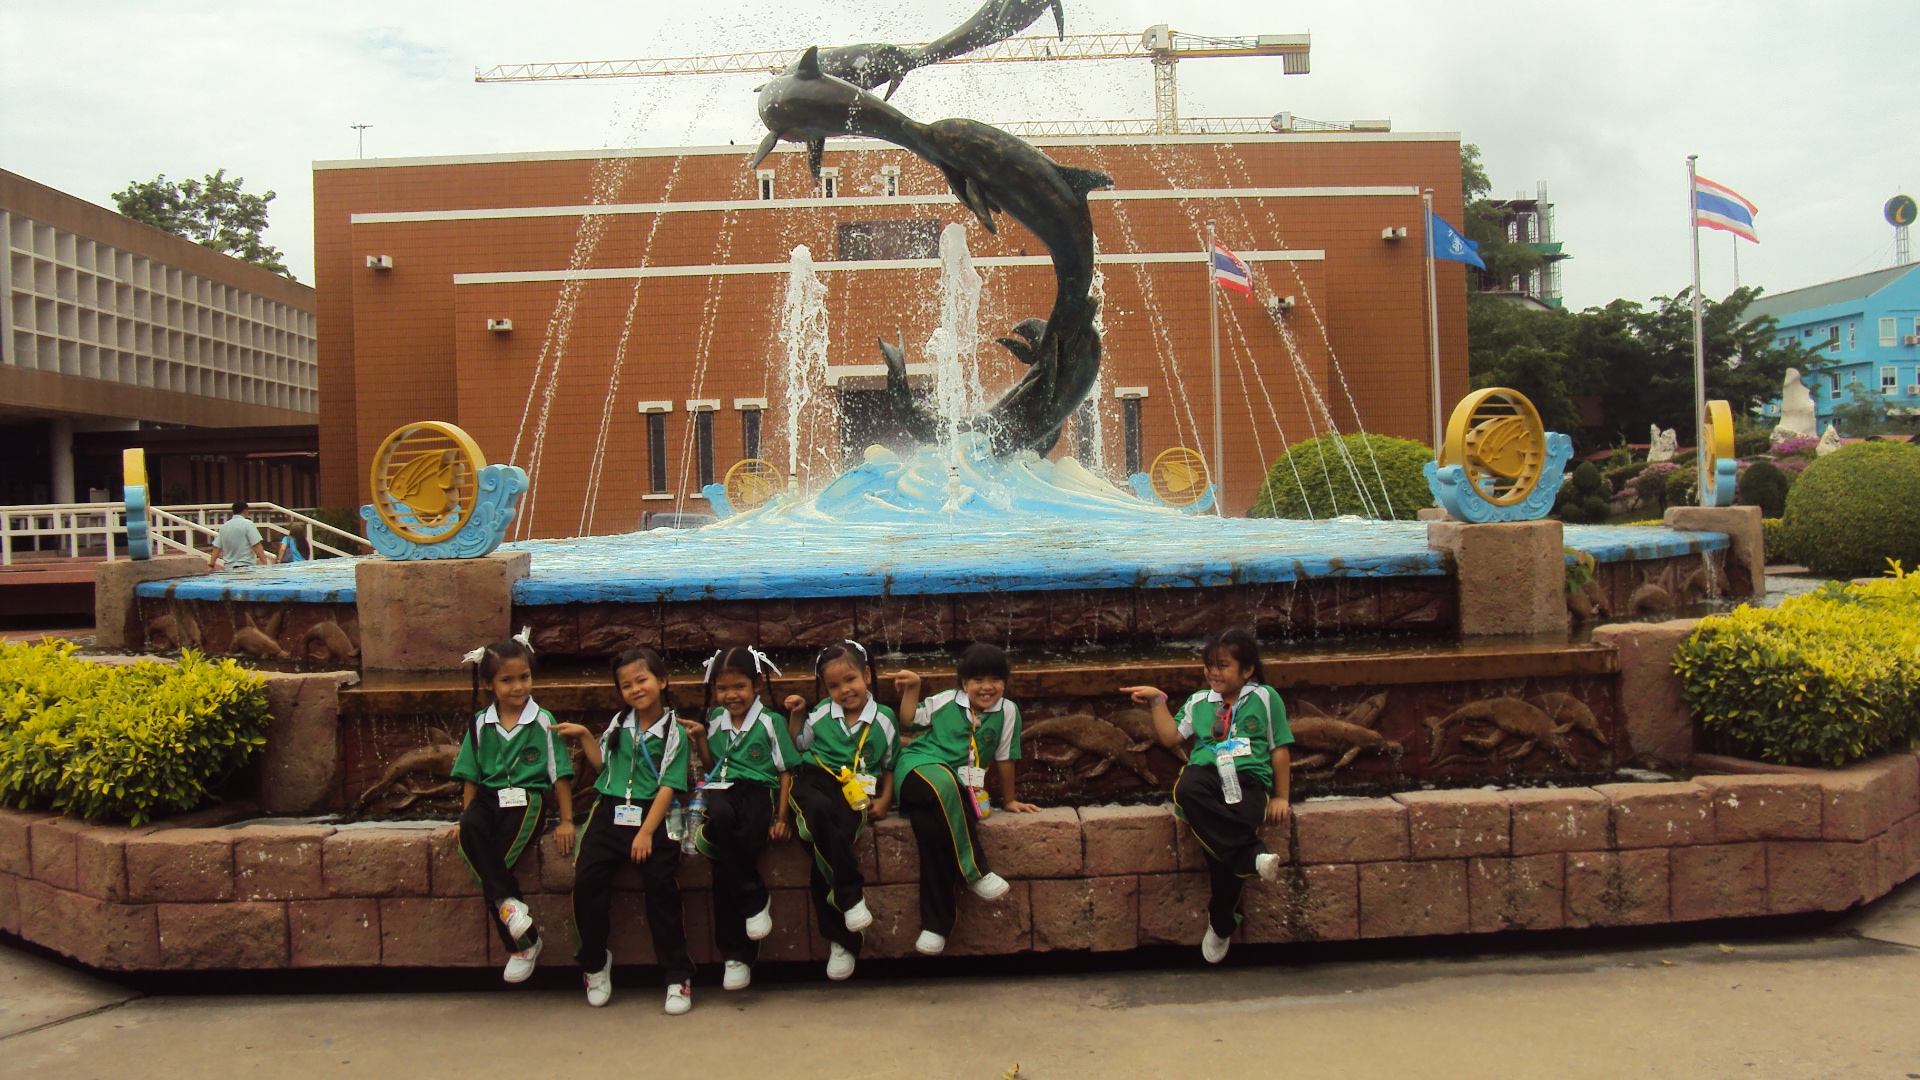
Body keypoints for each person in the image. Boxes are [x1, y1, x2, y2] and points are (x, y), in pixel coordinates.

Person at [1122, 628, 1292, 964]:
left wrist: (1281, 797)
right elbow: (1171, 738)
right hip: (1207, 776)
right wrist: (1157, 701)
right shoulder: (1199, 701)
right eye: (1209, 665)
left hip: (1249, 779)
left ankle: (1222, 918)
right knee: (1187, 789)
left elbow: (1279, 748)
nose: (1214, 672)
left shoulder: (1265, 697)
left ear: (1247, 670)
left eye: (1223, 666)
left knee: (1223, 845)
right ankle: (1251, 857)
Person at [553, 647, 696, 1013]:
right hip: (610, 811)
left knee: (661, 889)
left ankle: (677, 976)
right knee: (587, 881)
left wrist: (646, 833)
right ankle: (595, 964)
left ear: (662, 681)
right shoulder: (619, 723)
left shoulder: (674, 733)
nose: (635, 689)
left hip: (653, 815)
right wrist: (585, 736)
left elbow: (669, 786)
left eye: (641, 680)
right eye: (626, 685)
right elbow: (604, 766)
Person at [891, 642, 1038, 955]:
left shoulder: (1007, 711)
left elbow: (1005, 757)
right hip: (919, 769)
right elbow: (908, 720)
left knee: (931, 833)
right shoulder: (945, 701)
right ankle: (976, 871)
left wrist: (1009, 800)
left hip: (956, 793)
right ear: (963, 683)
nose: (987, 687)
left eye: (995, 679)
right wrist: (913, 687)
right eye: (977, 680)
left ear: (1005, 682)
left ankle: (935, 926)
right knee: (944, 782)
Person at [452, 635, 574, 985]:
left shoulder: (543, 720)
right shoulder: (480, 722)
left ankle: (522, 946)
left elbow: (559, 773)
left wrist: (566, 821)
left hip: (527, 799)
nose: (518, 686)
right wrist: (466, 820)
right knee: (471, 829)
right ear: (489, 684)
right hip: (489, 798)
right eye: (507, 680)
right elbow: (470, 776)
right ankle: (510, 906)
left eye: (524, 677)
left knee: (494, 863)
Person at [680, 646, 797, 992]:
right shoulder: (716, 718)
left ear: (757, 684)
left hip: (759, 790)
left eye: (739, 687)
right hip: (723, 790)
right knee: (719, 818)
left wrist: (782, 818)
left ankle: (736, 955)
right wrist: (701, 740)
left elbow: (786, 772)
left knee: (727, 859)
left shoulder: (771, 722)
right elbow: (711, 765)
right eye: (723, 688)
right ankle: (754, 899)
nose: (731, 695)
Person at [782, 640, 899, 982]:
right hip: (816, 779)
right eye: (834, 686)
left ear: (867, 675)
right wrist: (797, 715)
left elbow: (890, 764)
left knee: (831, 841)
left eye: (850, 680)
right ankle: (851, 896)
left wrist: (885, 799)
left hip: (855, 790)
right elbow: (797, 744)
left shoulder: (885, 719)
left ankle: (840, 940)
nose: (844, 690)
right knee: (817, 813)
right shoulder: (820, 713)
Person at [209, 501, 275, 569]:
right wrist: (265, 563)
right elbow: (256, 545)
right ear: (245, 511)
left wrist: (211, 565)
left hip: (229, 568)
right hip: (245, 566)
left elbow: (217, 548)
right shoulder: (248, 524)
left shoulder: (224, 526)